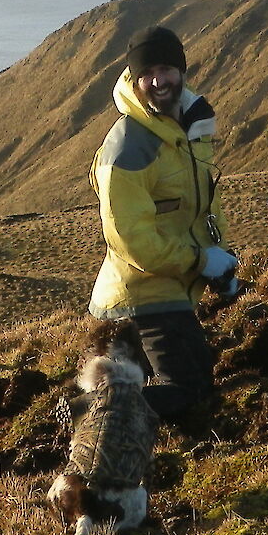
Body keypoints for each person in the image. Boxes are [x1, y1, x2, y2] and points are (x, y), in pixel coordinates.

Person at [85, 25, 237, 420]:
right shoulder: (129, 147)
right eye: (146, 73)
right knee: (191, 391)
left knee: (178, 378)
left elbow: (199, 207)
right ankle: (92, 415)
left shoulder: (187, 127)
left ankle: (108, 401)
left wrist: (217, 258)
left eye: (166, 69)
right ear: (134, 80)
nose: (157, 81)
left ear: (182, 70)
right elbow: (133, 240)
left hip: (172, 283)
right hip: (144, 291)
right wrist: (201, 262)